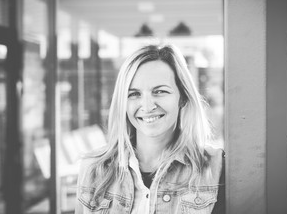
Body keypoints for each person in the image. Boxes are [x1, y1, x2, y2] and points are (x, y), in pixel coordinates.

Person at [75, 44, 225, 214]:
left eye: (160, 91)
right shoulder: (93, 169)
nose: (147, 106)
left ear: (182, 98)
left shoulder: (215, 167)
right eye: (134, 94)